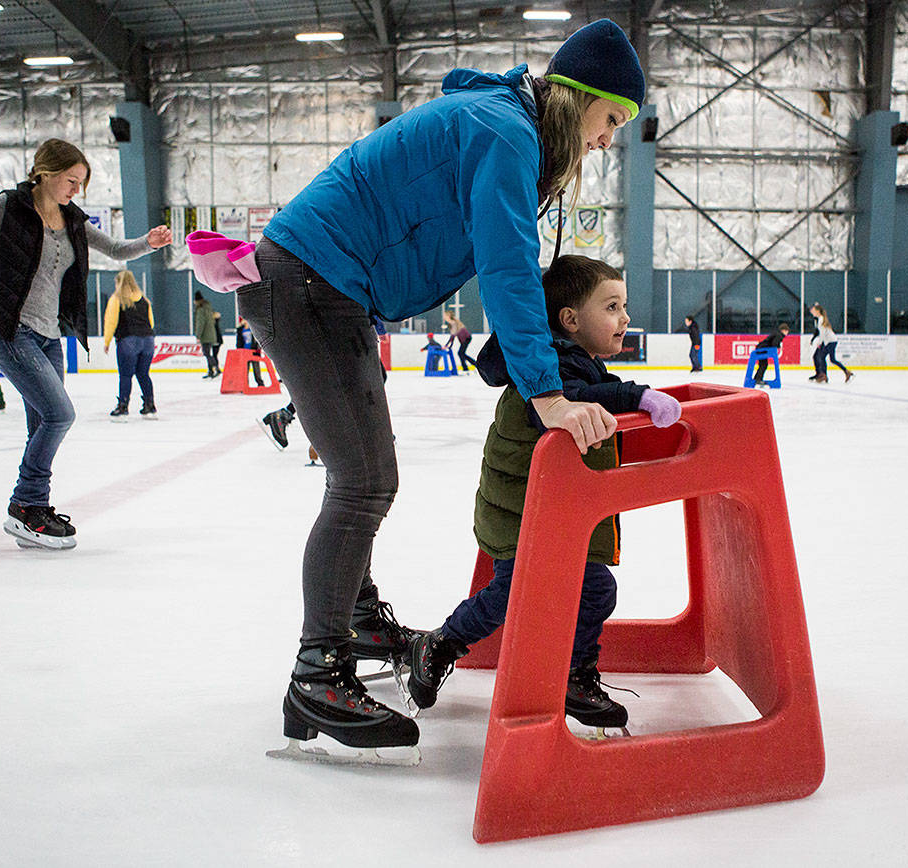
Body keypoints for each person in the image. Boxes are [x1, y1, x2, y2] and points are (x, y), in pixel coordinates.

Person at [239, 18, 645, 758]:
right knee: (363, 482)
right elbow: (507, 267)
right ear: (578, 97)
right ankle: (317, 672)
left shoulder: (502, 124)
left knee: (364, 476)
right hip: (309, 278)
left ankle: (355, 619)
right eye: (610, 119)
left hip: (329, 284)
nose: (607, 140)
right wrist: (549, 394)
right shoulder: (506, 133)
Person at [407, 256, 681, 730]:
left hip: (542, 509)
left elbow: (599, 386)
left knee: (562, 590)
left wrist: (635, 395)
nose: (625, 318)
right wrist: (637, 397)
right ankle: (446, 646)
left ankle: (558, 669)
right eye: (612, 307)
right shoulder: (553, 362)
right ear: (570, 319)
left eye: (624, 306)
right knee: (537, 592)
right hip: (522, 512)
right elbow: (574, 397)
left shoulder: (570, 358)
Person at [0, 138, 172, 549]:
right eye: (72, 180)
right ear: (46, 173)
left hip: (50, 336)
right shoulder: (7, 207)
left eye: (81, 183)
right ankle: (25, 505)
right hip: (10, 329)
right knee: (60, 415)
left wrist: (148, 242)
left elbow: (114, 249)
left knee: (41, 424)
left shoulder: (73, 220)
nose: (77, 190)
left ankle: (34, 510)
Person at [103, 270, 158, 418]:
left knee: (126, 375)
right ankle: (150, 405)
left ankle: (123, 406)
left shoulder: (117, 299)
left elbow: (111, 321)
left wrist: (107, 341)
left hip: (128, 339)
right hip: (148, 340)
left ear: (118, 282)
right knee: (143, 374)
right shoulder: (144, 300)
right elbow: (151, 322)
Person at [808, 303, 851, 384]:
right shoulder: (820, 319)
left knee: (824, 357)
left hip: (831, 341)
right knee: (829, 358)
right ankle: (845, 372)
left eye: (813, 311)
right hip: (830, 341)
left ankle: (825, 375)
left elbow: (823, 333)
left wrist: (819, 343)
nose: (811, 312)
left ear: (817, 311)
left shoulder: (821, 319)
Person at [192, 291, 220, 379]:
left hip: (205, 335)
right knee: (208, 353)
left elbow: (200, 323)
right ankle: (211, 371)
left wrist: (198, 335)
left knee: (207, 353)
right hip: (211, 333)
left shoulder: (200, 309)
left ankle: (216, 368)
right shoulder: (208, 308)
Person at [236, 317, 265, 387]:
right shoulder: (240, 330)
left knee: (256, 369)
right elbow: (239, 341)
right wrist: (239, 350)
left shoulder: (253, 329)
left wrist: (258, 349)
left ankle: (260, 384)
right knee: (245, 370)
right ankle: (245, 384)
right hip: (245, 352)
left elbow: (257, 340)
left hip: (254, 351)